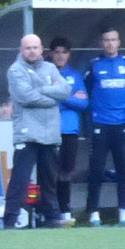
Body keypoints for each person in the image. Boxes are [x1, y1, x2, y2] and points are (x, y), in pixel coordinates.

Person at [4, 34, 67, 229]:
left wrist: (41, 89)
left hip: (49, 133)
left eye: (35, 47)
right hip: (27, 133)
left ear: (41, 49)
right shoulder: (15, 70)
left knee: (49, 179)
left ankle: (51, 217)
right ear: (21, 50)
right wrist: (52, 96)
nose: (31, 51)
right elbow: (26, 97)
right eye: (27, 48)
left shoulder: (50, 68)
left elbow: (65, 91)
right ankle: (10, 219)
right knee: (20, 179)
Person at [84, 28, 125, 226]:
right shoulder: (94, 65)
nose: (110, 43)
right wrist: (89, 125)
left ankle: (124, 213)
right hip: (100, 124)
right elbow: (87, 95)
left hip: (121, 124)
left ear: (119, 42)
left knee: (123, 170)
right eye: (107, 40)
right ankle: (93, 213)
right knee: (96, 170)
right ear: (102, 43)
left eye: (113, 40)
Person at [48, 38, 87, 224]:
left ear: (69, 54)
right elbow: (44, 98)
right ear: (51, 54)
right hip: (49, 130)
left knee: (66, 171)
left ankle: (65, 210)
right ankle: (50, 211)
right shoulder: (45, 74)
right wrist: (70, 97)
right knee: (50, 172)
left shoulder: (75, 76)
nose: (60, 56)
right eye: (57, 52)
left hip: (70, 130)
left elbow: (83, 103)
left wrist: (62, 97)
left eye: (64, 52)